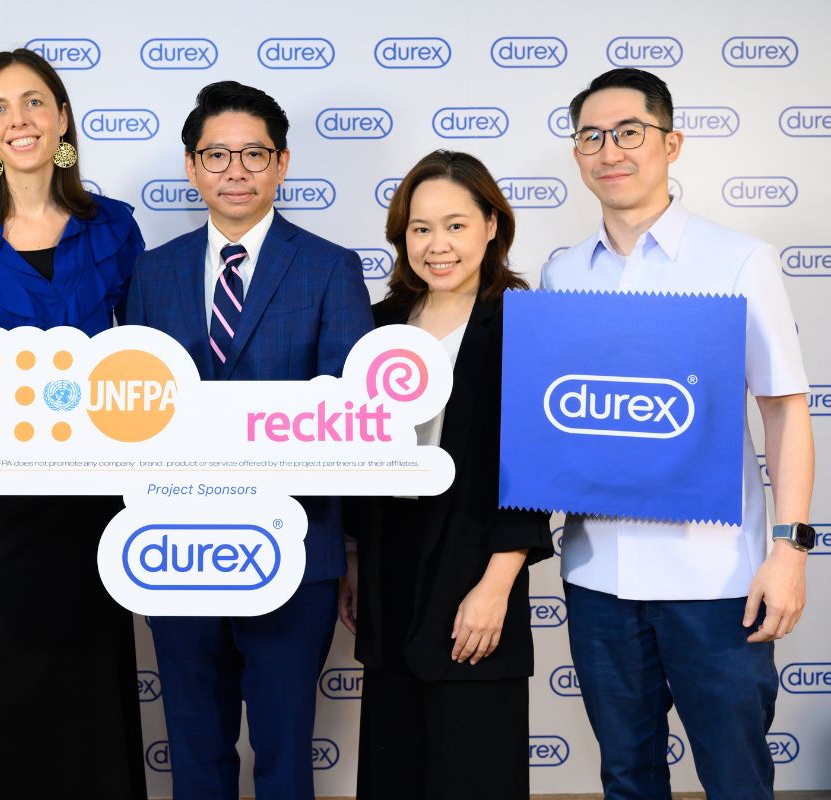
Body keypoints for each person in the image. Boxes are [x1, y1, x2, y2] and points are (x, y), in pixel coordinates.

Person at [542, 68, 814, 799]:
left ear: (671, 143)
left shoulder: (738, 260)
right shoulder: (562, 274)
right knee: (627, 776)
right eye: (591, 137)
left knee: (735, 776)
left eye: (629, 132)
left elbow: (784, 409)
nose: (610, 151)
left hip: (717, 579)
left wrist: (789, 549)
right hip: (598, 574)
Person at [0, 49, 147, 799]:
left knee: (83, 716)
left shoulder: (113, 227)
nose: (20, 120)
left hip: (90, 510)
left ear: (62, 117)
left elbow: (146, 366)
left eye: (35, 101)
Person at [125, 80, 373, 800]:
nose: (236, 170)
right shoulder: (152, 272)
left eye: (254, 154)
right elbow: (133, 412)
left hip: (294, 547)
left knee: (285, 752)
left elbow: (349, 416)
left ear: (282, 162)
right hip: (177, 548)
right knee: (194, 747)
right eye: (217, 154)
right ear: (192, 165)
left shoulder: (329, 268)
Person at [336, 150, 553, 799]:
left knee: (473, 770)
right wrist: (354, 560)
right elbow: (357, 456)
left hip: (475, 571)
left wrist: (496, 586)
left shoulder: (525, 325)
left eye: (456, 225)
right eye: (421, 228)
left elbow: (534, 471)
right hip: (390, 577)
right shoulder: (378, 326)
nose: (438, 245)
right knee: (394, 771)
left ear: (492, 225)